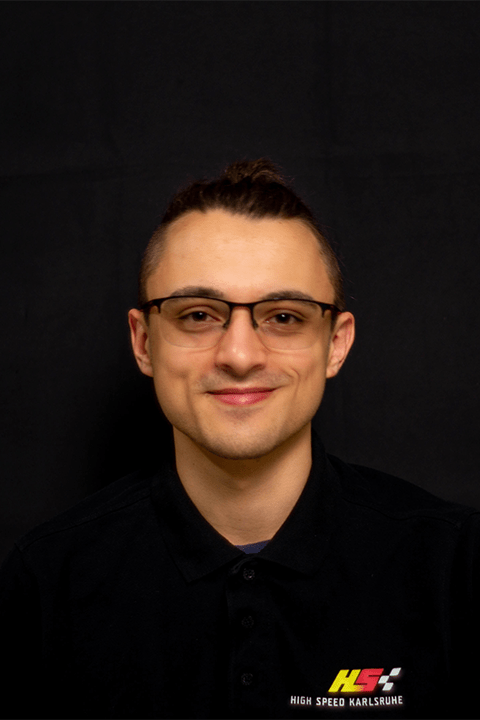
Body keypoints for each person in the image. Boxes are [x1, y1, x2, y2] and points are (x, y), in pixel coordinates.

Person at [1, 159, 479, 720]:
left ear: (336, 344)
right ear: (144, 342)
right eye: (198, 315)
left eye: (284, 317)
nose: (240, 355)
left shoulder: (456, 568)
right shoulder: (45, 582)